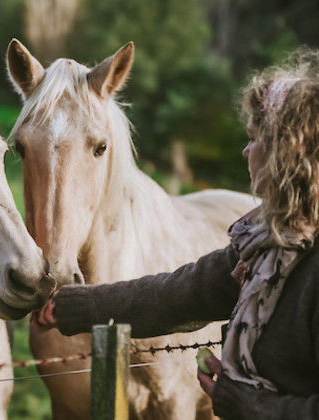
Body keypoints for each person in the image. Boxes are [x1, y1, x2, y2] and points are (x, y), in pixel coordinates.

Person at [32, 48, 319, 420]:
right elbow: (180, 295)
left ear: (289, 152)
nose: (245, 150)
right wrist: (73, 306)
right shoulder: (264, 245)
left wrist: (251, 406)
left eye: (255, 138)